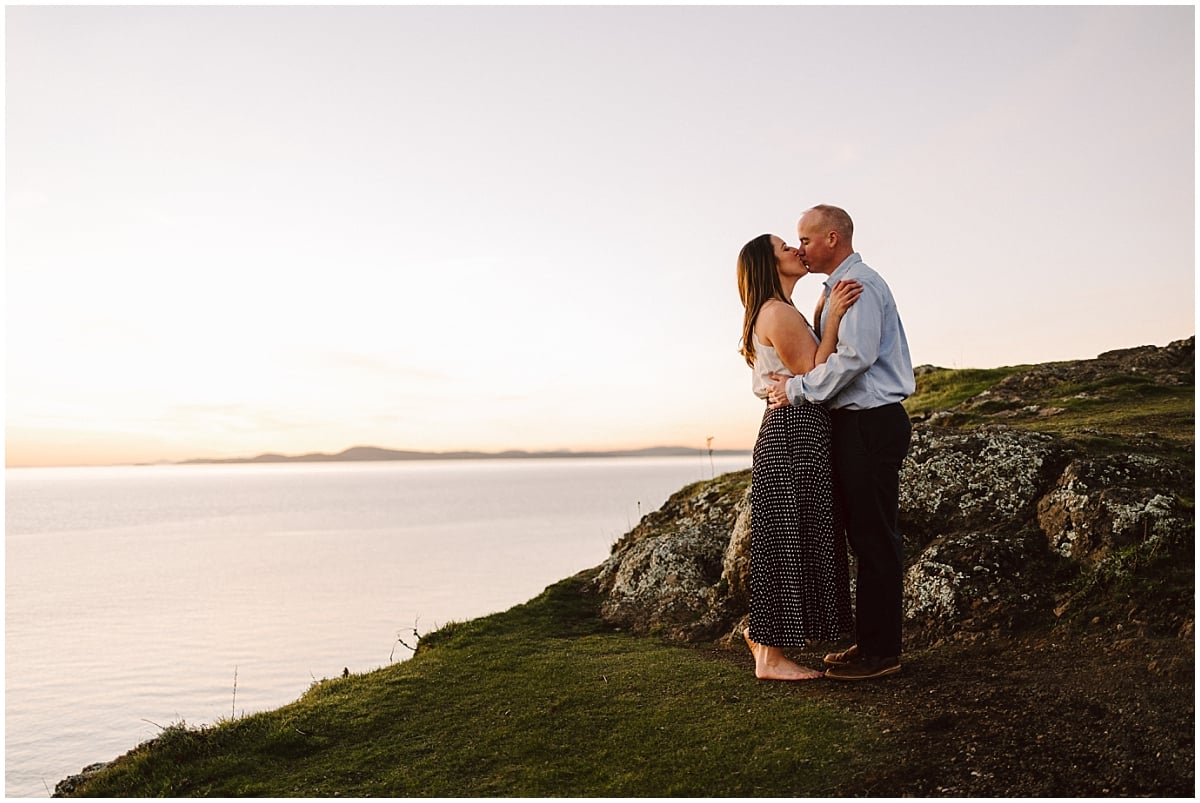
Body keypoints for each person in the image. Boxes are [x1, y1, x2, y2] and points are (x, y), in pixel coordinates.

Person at [765, 204, 915, 681]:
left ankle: (882, 653)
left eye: (805, 240)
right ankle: (870, 642)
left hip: (872, 422)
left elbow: (854, 359)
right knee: (864, 537)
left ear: (832, 238)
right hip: (855, 425)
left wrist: (795, 390)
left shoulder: (861, 285)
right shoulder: (834, 292)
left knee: (875, 539)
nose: (801, 248)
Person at [736, 232, 861, 681]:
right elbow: (816, 371)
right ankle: (769, 657)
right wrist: (832, 324)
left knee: (790, 535)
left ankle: (765, 639)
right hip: (793, 432)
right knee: (786, 537)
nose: (795, 249)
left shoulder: (779, 312)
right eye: (784, 247)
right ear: (769, 265)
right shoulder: (776, 312)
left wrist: (817, 321)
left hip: (794, 430)